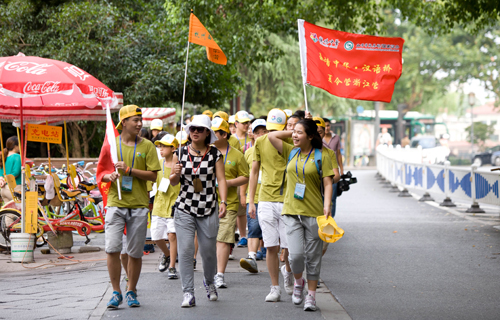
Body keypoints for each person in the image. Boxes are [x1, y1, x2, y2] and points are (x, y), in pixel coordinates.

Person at [267, 118, 334, 312]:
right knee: (295, 256)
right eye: (293, 132)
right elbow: (272, 136)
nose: (294, 135)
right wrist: (297, 131)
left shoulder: (323, 155)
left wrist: (327, 206)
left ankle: (311, 297)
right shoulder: (291, 151)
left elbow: (328, 183)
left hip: (314, 213)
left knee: (313, 257)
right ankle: (298, 282)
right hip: (290, 212)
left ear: (311, 136)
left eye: (299, 133)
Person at [101, 105, 161, 309]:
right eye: (135, 120)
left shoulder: (147, 146)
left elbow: (153, 175)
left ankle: (131, 290)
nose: (139, 124)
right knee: (112, 248)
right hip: (115, 203)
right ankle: (116, 291)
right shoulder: (111, 143)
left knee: (135, 252)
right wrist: (110, 176)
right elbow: (101, 173)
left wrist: (129, 170)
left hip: (139, 205)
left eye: (140, 119)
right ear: (123, 122)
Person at [170, 114, 228, 308]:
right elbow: (173, 182)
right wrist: (174, 174)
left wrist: (224, 202)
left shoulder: (214, 154)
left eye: (200, 129)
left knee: (208, 252)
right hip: (185, 207)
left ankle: (210, 282)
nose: (195, 132)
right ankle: (188, 292)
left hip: (209, 207)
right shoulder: (179, 152)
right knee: (185, 250)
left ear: (207, 133)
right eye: (193, 128)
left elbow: (221, 180)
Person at [248, 108, 294, 302]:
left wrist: (303, 127)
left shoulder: (292, 141)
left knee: (289, 246)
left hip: (287, 199)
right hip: (266, 199)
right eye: (269, 128)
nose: (270, 132)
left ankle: (289, 272)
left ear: (283, 127)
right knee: (270, 246)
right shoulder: (259, 142)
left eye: (275, 128)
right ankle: (274, 286)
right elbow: (254, 172)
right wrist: (251, 200)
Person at [211, 118, 249, 288]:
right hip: (206, 202)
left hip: (230, 204)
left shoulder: (236, 154)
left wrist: (229, 183)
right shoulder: (206, 152)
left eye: (214, 133)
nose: (210, 136)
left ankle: (220, 274)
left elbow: (245, 176)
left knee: (224, 239)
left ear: (224, 134)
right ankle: (209, 270)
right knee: (209, 239)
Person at [240, 119, 268, 273]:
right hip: (254, 197)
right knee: (253, 227)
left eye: (264, 132)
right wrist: (244, 196)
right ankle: (251, 257)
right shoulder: (249, 152)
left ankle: (269, 252)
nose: (261, 135)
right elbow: (246, 175)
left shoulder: (277, 150)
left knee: (269, 229)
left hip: (271, 196)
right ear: (253, 135)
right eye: (258, 133)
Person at [152, 134, 181, 279]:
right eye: (160, 146)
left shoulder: (179, 166)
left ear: (173, 148)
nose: (161, 149)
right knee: (156, 237)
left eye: (164, 146)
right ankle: (168, 255)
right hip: (159, 204)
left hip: (174, 204)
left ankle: (172, 267)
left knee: (172, 235)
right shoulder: (157, 164)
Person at [314, 117, 341, 256]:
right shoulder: (298, 150)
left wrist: (325, 179)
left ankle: (314, 271)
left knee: (324, 239)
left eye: (321, 131)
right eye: (315, 131)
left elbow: (336, 175)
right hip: (302, 201)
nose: (318, 134)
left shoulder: (329, 153)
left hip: (323, 200)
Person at [233, 111, 252, 247]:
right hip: (231, 176)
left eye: (247, 122)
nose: (246, 125)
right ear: (236, 124)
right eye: (243, 123)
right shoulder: (231, 139)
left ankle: (243, 236)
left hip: (245, 177)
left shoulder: (251, 138)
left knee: (241, 209)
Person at [0, 136, 22, 203]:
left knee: (10, 212)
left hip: (3, 190)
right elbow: (15, 173)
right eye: (19, 145)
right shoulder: (17, 156)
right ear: (15, 146)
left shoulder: (4, 157)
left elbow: (1, 173)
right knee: (23, 210)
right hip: (14, 188)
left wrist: (2, 180)